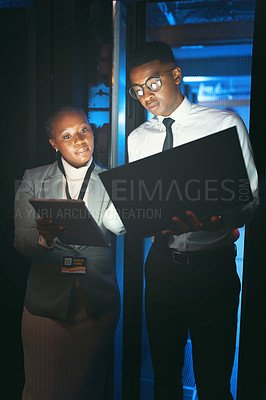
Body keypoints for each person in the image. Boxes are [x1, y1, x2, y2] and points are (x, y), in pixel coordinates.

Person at [127, 41, 259, 400]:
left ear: (175, 75)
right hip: (161, 268)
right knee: (164, 380)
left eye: (152, 83)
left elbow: (251, 204)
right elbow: (144, 204)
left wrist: (215, 220)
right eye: (136, 89)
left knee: (214, 383)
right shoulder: (137, 139)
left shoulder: (223, 124)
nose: (145, 96)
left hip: (212, 270)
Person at [14, 105, 125, 400]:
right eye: (67, 135)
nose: (79, 140)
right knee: (42, 391)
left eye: (83, 130)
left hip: (96, 306)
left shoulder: (113, 180)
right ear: (54, 144)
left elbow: (119, 226)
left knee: (87, 390)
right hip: (46, 307)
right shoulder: (33, 179)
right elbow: (21, 242)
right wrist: (43, 237)